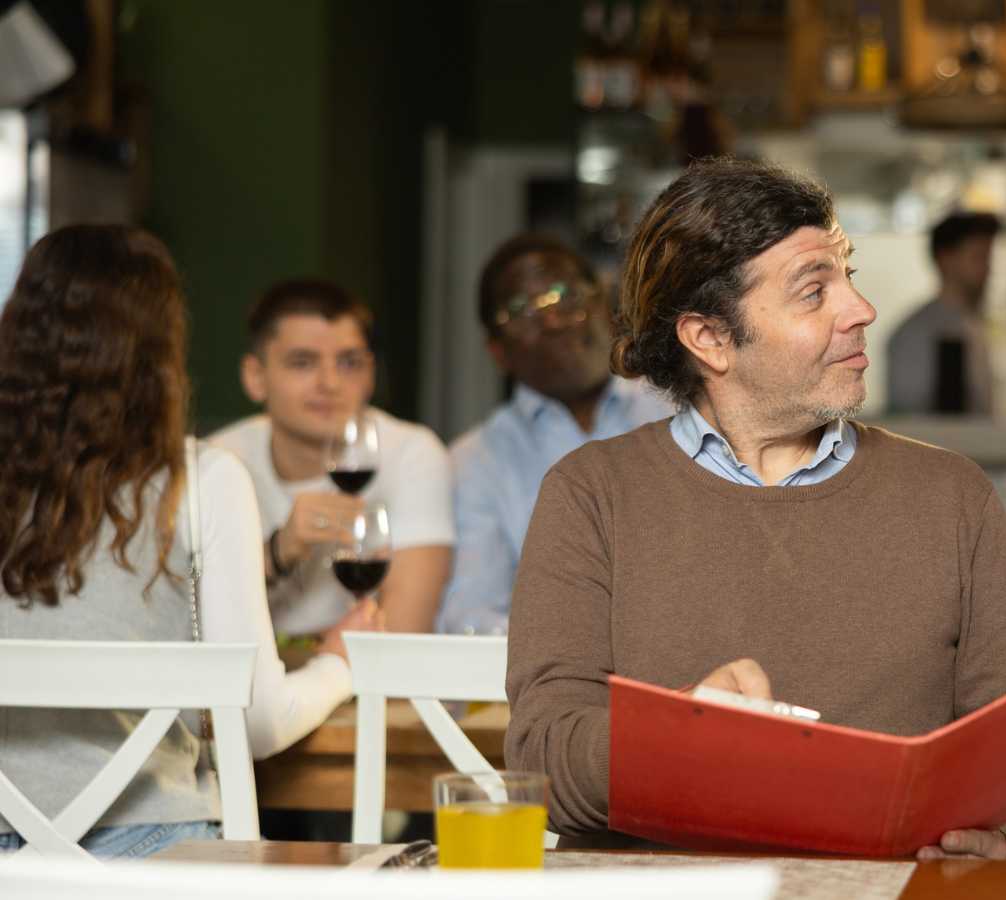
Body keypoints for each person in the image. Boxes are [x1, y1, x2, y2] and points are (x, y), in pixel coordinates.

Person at [504, 157, 1006, 860]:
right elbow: (542, 759)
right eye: (814, 292)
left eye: (848, 275)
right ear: (709, 338)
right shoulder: (591, 494)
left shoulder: (953, 497)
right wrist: (675, 741)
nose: (860, 310)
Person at [0, 226, 372, 858]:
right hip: (156, 853)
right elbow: (258, 723)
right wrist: (344, 660)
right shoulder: (204, 479)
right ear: (161, 354)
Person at [435, 234, 671, 636]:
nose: (551, 319)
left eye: (565, 294)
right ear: (497, 352)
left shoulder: (684, 406)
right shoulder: (475, 462)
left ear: (606, 305)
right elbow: (469, 619)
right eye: (521, 310)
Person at [211, 280, 454, 637]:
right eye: (303, 362)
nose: (330, 383)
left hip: (365, 687)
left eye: (349, 363)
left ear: (370, 373)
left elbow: (406, 632)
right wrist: (279, 551)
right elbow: (192, 623)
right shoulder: (219, 461)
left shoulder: (412, 453)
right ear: (255, 377)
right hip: (250, 689)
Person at [887, 211, 1000, 415]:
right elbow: (909, 420)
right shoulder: (915, 334)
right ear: (946, 260)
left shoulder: (975, 326)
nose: (988, 269)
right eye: (979, 257)